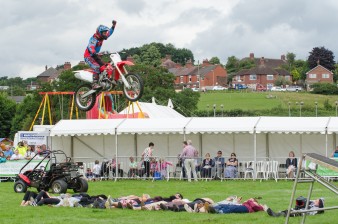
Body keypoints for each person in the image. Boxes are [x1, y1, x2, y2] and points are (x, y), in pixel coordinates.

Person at [84, 20, 117, 89]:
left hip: (95, 56)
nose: (106, 34)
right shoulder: (94, 39)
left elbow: (109, 33)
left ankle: (104, 81)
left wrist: (113, 26)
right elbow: (91, 47)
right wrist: (94, 52)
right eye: (104, 33)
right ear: (100, 32)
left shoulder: (102, 37)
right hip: (89, 56)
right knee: (97, 67)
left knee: (106, 67)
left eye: (105, 32)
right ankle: (94, 84)